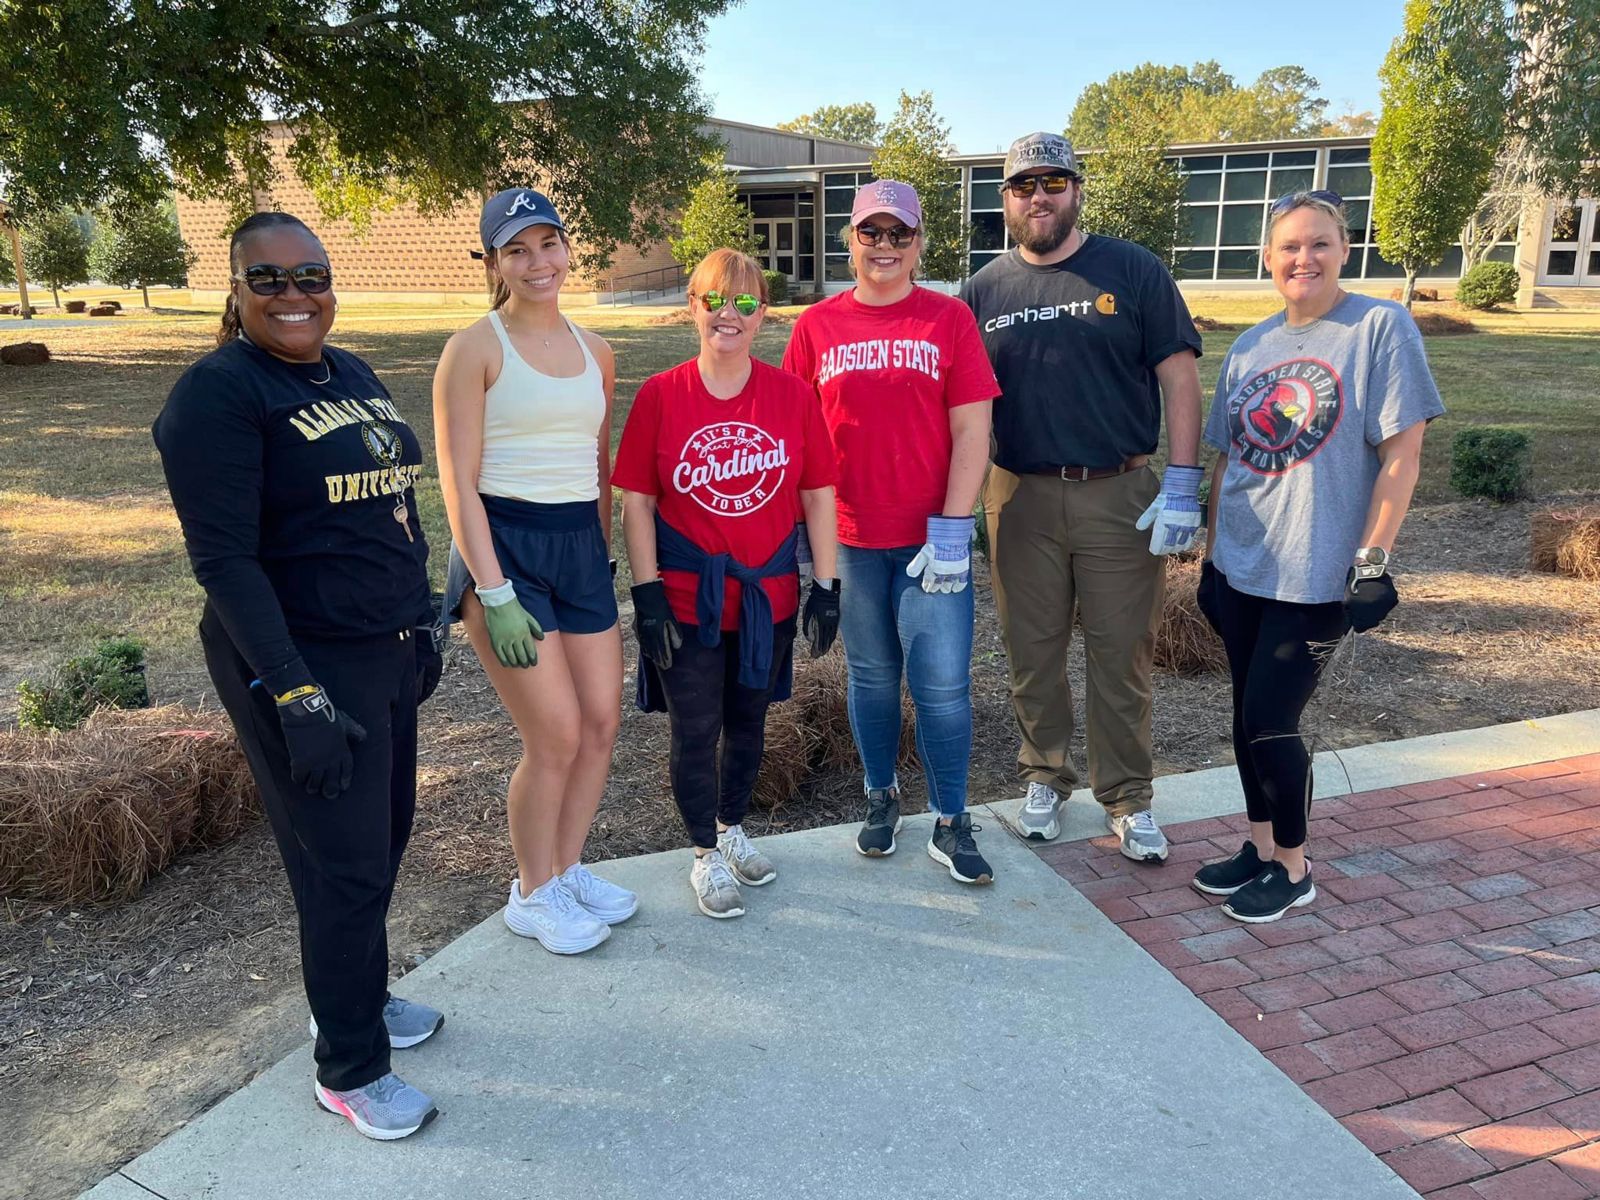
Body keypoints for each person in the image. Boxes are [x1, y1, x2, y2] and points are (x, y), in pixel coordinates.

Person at [154, 212, 443, 1140]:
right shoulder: (218, 394)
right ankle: (350, 1067)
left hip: (382, 644)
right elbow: (225, 560)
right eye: (269, 280)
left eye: (310, 275)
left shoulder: (350, 372)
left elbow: (397, 499)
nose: (295, 295)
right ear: (235, 291)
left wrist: (421, 618)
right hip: (300, 657)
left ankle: (351, 995)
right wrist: (293, 688)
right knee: (344, 862)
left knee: (381, 840)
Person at [1191, 190, 1443, 923]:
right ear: (1268, 258)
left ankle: (1296, 868)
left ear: (1344, 250)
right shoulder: (1251, 346)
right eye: (1290, 247)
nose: (1304, 258)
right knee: (1243, 717)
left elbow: (1403, 454)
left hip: (1316, 571)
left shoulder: (1377, 328)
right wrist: (1209, 563)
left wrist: (1373, 562)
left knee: (1273, 719)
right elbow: (1226, 463)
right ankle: (1261, 847)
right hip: (1242, 565)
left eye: (1320, 244)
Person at [960, 132, 1204, 862]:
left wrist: (1185, 482)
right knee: (1031, 652)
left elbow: (1181, 379)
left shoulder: (1132, 269)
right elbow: (960, 406)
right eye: (1022, 185)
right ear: (1005, 199)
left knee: (1119, 653)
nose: (1039, 196)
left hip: (1118, 491)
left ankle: (1128, 797)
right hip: (1019, 495)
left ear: (1076, 189)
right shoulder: (984, 290)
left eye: (1053, 183)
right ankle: (1044, 776)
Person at [433, 188, 633, 955]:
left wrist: (601, 555)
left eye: (547, 244)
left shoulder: (599, 352)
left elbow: (597, 462)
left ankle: (568, 866)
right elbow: (457, 479)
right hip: (504, 553)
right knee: (553, 735)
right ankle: (531, 890)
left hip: (579, 551)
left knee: (601, 726)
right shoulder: (475, 348)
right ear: (494, 263)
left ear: (568, 248)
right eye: (516, 250)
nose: (537, 262)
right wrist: (493, 590)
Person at [783, 180, 1000, 884]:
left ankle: (951, 818)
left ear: (919, 243)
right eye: (870, 233)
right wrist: (803, 543)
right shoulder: (815, 327)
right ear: (850, 241)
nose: (884, 247)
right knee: (872, 677)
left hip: (929, 538)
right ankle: (881, 797)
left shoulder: (948, 319)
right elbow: (797, 435)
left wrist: (954, 527)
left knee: (941, 684)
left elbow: (974, 427)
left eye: (898, 234)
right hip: (850, 537)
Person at [614, 248, 840, 918]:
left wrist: (826, 585)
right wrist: (646, 592)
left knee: (748, 725)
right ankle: (704, 855)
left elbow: (819, 493)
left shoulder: (793, 397)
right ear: (693, 307)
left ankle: (733, 827)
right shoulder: (661, 395)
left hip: (765, 598)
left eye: (744, 302)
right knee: (694, 728)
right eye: (714, 300)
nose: (728, 314)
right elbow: (637, 503)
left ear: (763, 313)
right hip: (688, 603)